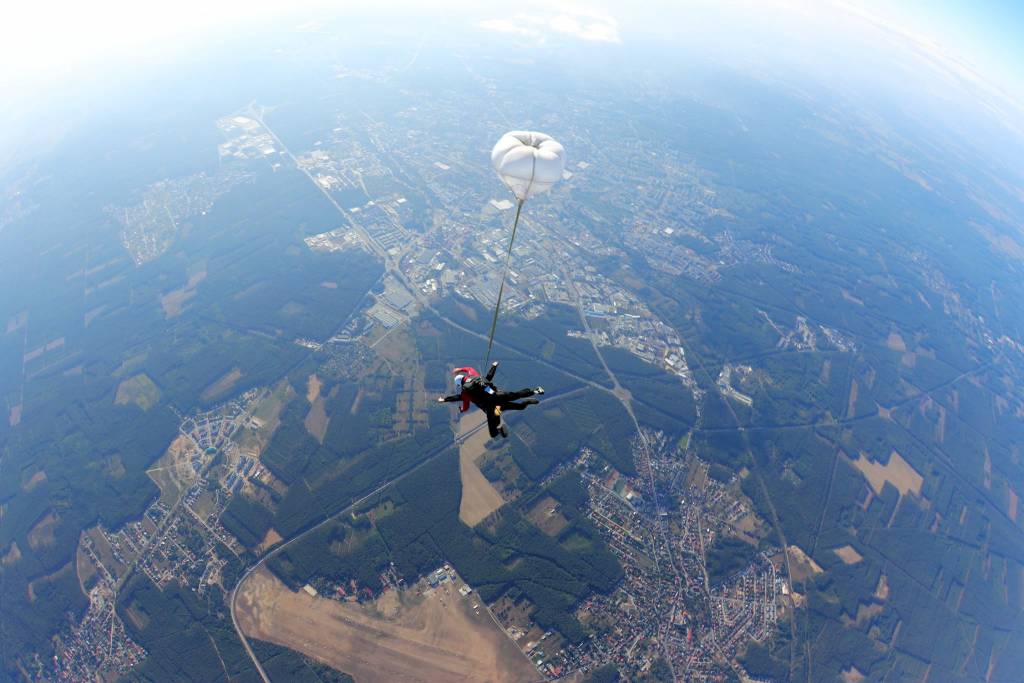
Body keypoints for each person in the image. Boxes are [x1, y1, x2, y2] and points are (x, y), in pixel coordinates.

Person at [437, 362, 544, 438]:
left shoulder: (465, 393)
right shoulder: (474, 375)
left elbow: (461, 402)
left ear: (460, 385)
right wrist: (493, 366)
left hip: (494, 408)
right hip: (499, 395)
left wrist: (447, 401)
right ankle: (535, 391)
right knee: (516, 395)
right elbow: (474, 371)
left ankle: (499, 429)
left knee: (496, 425)